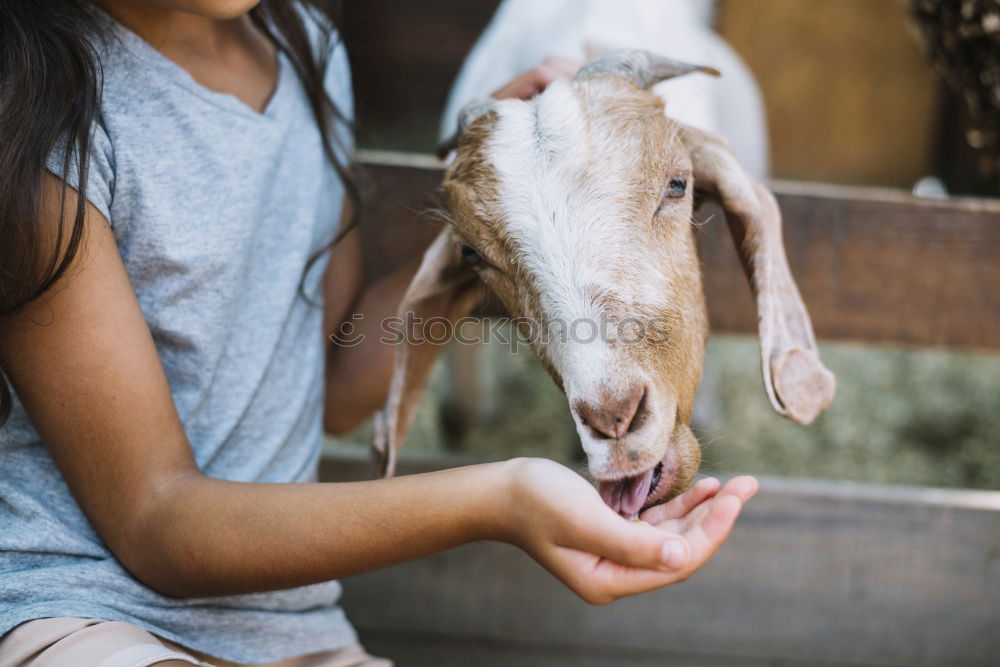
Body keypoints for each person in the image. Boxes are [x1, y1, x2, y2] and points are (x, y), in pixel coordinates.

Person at [0, 2, 759, 665]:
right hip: (81, 611)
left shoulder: (305, 50)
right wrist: (500, 498)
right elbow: (155, 519)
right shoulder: (38, 117)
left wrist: (500, 208)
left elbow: (333, 384)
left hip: (294, 632)